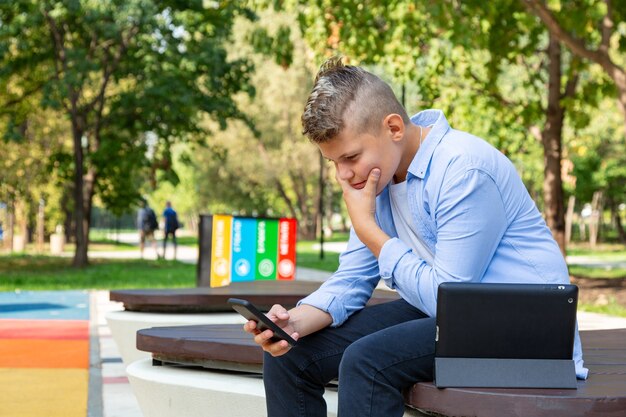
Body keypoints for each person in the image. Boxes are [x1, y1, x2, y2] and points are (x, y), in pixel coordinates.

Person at [243, 57, 588, 417]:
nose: (343, 175)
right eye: (333, 163)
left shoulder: (464, 169)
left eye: (351, 157)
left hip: (526, 328)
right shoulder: (377, 178)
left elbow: (451, 300)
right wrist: (293, 323)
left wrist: (371, 232)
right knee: (291, 356)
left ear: (393, 127)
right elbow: (352, 280)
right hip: (449, 313)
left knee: (366, 362)